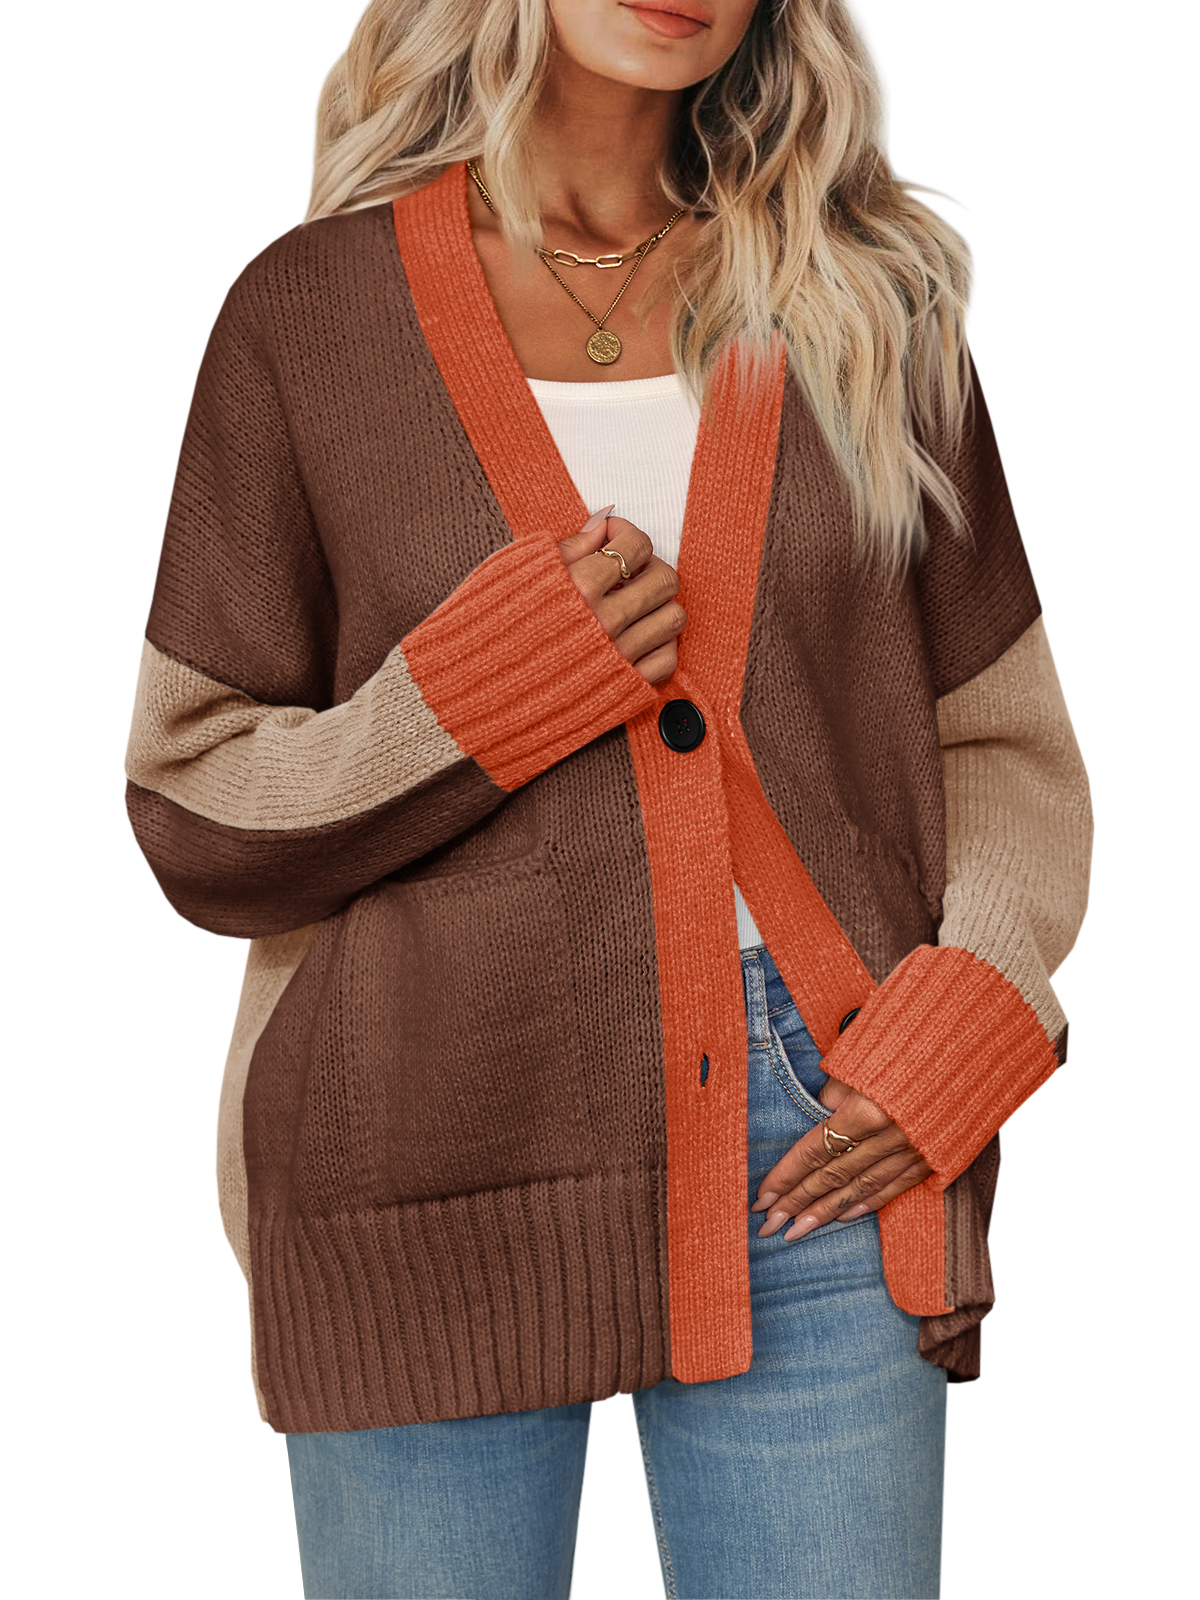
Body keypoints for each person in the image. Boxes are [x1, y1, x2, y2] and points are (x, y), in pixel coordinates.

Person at [122, 0, 1093, 1595]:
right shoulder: (308, 317)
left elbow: (997, 742)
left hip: (824, 1130)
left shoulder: (867, 302)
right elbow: (192, 793)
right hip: (422, 1141)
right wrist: (468, 707)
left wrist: (962, 1018)